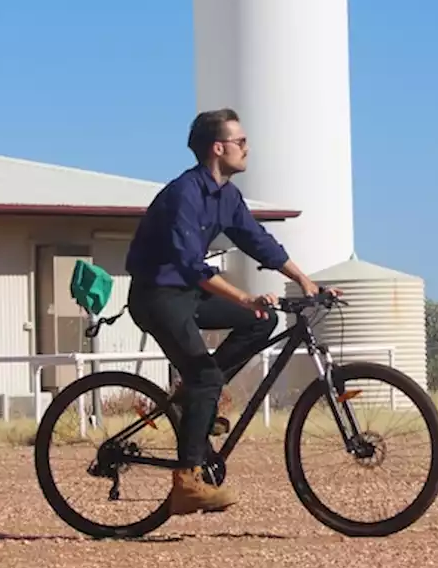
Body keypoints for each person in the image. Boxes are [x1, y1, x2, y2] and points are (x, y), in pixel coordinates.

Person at [124, 107, 337, 515]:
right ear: (218, 148)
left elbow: (258, 240)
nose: (247, 149)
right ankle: (187, 481)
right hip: (157, 296)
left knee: (263, 321)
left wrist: (306, 280)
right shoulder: (185, 194)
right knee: (206, 374)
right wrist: (242, 297)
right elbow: (190, 265)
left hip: (187, 292)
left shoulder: (227, 196)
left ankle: (194, 399)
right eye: (241, 142)